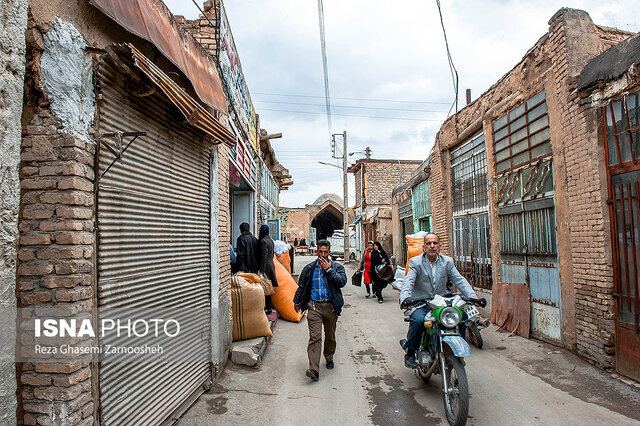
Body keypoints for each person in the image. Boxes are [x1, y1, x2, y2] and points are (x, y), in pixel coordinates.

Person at [399, 232, 478, 369]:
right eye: (429, 243)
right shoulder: (415, 262)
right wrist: (405, 299)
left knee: (462, 317)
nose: (432, 246)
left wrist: (472, 297)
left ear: (439, 246)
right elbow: (408, 282)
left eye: (435, 243)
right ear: (424, 247)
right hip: (421, 303)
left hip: (441, 303)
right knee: (418, 321)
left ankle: (456, 353)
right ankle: (411, 352)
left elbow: (459, 280)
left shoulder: (447, 262)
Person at [293, 239, 347, 382]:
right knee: (315, 337)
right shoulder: (309, 269)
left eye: (325, 252)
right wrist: (297, 301)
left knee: (330, 336)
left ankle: (329, 357)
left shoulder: (337, 267)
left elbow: (342, 282)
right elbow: (302, 286)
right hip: (314, 307)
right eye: (320, 252)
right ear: (317, 252)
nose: (323, 255)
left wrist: (329, 270)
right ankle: (314, 369)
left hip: (331, 307)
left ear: (329, 252)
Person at [258, 224, 279, 314]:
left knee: (265, 286)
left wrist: (261, 270)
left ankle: (267, 307)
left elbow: (263, 256)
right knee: (268, 286)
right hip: (271, 264)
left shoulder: (263, 241)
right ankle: (269, 306)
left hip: (266, 266)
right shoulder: (270, 240)